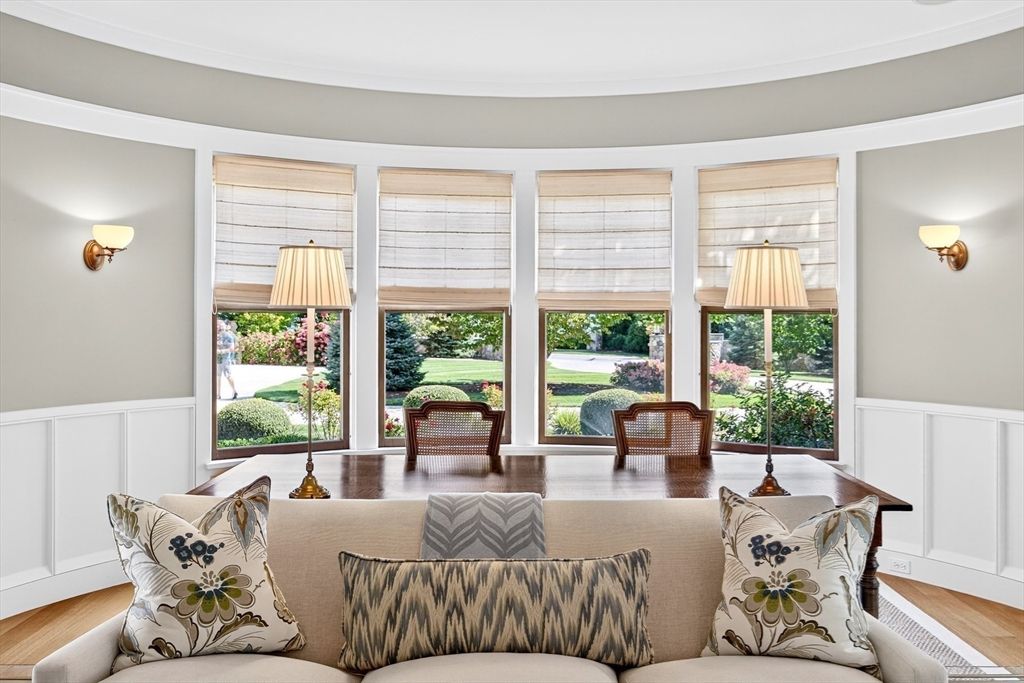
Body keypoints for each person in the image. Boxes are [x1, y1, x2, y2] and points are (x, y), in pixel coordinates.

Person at [216, 319, 238, 400]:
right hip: (217, 359)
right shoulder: (216, 335)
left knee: (228, 375)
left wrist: (220, 351)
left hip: (225, 359)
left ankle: (234, 391)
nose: (218, 327)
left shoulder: (228, 336)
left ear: (223, 327)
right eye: (217, 325)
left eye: (219, 325)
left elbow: (231, 349)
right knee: (217, 376)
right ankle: (218, 394)